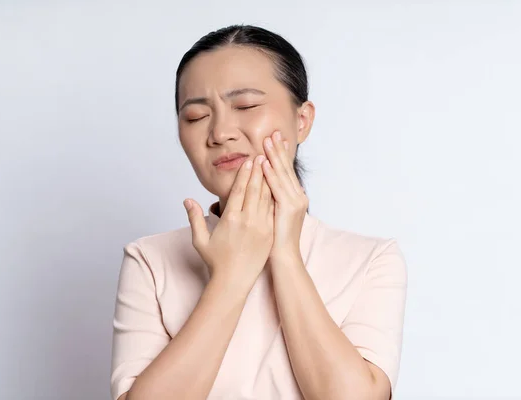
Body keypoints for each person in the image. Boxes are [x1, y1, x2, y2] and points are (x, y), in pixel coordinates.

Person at [110, 24, 407, 400]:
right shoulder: (150, 260)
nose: (219, 132)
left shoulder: (370, 260)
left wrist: (283, 252)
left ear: (302, 121)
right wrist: (230, 276)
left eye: (246, 106)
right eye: (196, 116)